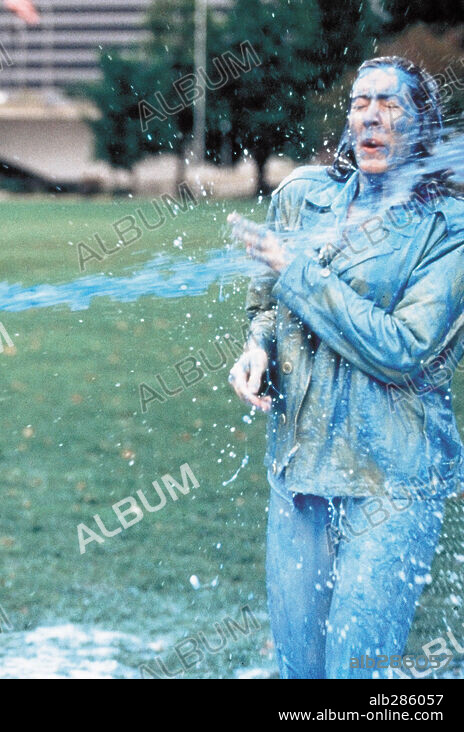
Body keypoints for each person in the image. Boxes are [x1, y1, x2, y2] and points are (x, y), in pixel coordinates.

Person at [228, 56, 464, 679]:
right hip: (301, 469)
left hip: (394, 480)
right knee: (300, 675)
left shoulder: (450, 229)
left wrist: (299, 273)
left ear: (423, 125)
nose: (372, 116)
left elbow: (403, 350)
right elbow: (266, 300)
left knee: (357, 678)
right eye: (362, 102)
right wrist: (257, 350)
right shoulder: (303, 199)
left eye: (391, 104)